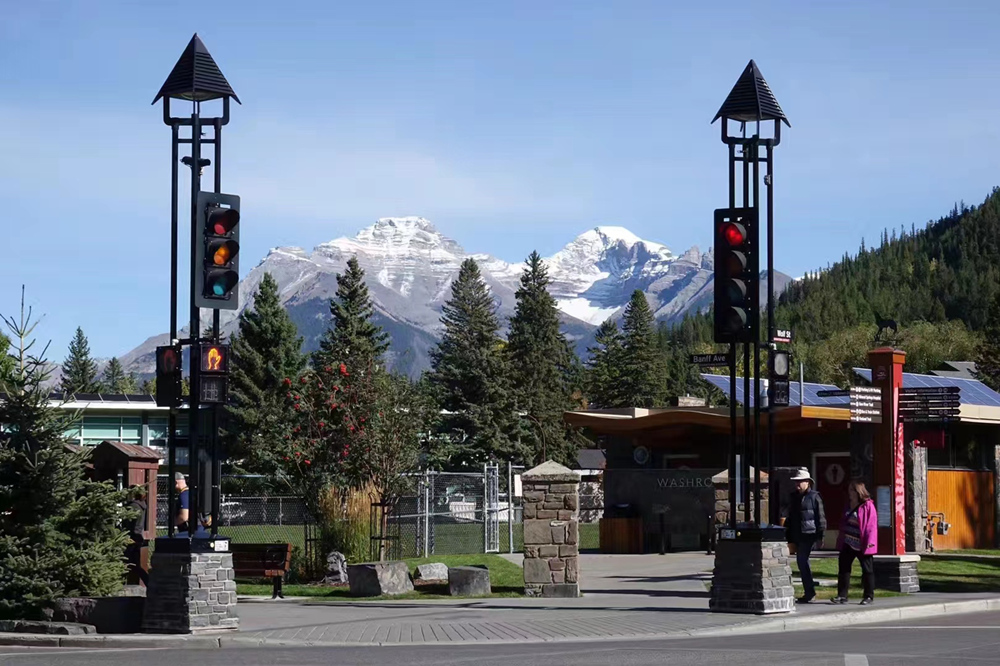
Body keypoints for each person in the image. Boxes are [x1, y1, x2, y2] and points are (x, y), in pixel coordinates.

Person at [832, 479, 877, 605]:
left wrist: (870, 542)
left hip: (862, 543)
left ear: (859, 492)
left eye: (852, 490)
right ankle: (842, 595)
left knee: (867, 570)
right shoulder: (848, 505)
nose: (850, 492)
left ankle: (868, 596)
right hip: (848, 541)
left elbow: (871, 526)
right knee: (844, 569)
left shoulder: (868, 506)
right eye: (849, 490)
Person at [785, 467, 826, 603]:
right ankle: (809, 591)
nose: (797, 484)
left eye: (800, 481)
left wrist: (821, 536)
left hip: (809, 534)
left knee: (802, 561)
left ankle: (809, 592)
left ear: (807, 482)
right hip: (796, 534)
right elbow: (790, 517)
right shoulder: (794, 497)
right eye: (796, 481)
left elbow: (821, 517)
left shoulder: (814, 497)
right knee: (802, 562)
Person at [123, 485, 149, 586]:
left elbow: (129, 523)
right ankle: (148, 582)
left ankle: (148, 582)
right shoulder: (141, 505)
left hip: (131, 537)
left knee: (128, 562)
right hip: (137, 537)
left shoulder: (133, 506)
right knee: (135, 564)